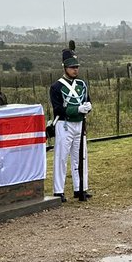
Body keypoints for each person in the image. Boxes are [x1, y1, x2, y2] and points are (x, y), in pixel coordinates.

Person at [50, 41, 92, 201]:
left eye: (77, 67)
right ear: (65, 68)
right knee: (61, 157)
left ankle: (80, 188)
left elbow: (87, 100)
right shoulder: (56, 87)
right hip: (64, 124)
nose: (75, 70)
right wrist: (77, 110)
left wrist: (88, 107)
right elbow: (58, 109)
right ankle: (58, 190)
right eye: (72, 67)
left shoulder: (82, 84)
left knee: (80, 157)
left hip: (80, 124)